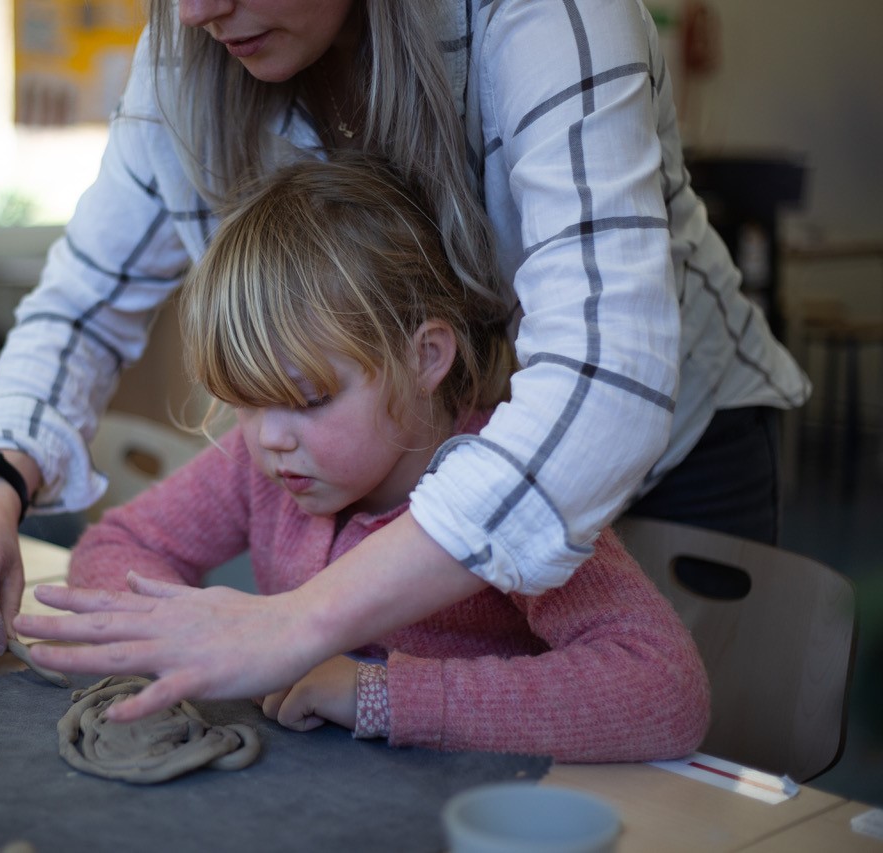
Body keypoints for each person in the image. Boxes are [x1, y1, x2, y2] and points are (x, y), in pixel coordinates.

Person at [0, 0, 809, 718]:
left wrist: (305, 632)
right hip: (427, 430)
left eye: (302, 396)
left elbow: (603, 383)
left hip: (665, 436)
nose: (196, 12)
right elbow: (79, 307)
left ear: (425, 353)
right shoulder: (189, 47)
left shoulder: (538, 15)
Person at [58, 155, 710, 760]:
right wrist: (185, 640)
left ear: (425, 357)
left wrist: (378, 693)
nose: (268, 438)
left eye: (309, 398)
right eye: (245, 403)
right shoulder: (265, 459)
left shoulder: (512, 488)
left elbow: (665, 690)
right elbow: (120, 542)